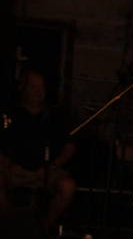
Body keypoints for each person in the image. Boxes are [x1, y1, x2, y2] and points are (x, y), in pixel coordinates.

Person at [0, 69, 76, 229]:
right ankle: (9, 227)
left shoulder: (55, 115)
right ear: (23, 88)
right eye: (34, 87)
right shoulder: (9, 114)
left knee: (67, 186)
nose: (39, 92)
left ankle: (44, 227)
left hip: (46, 171)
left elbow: (69, 146)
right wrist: (8, 165)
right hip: (13, 170)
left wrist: (52, 166)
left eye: (41, 87)